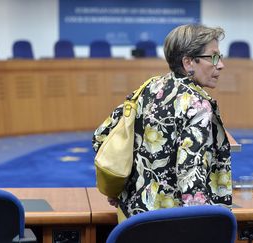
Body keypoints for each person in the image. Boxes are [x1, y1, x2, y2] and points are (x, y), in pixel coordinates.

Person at [92, 24, 232, 222]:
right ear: (188, 62)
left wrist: (119, 188)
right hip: (170, 225)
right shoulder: (197, 104)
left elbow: (102, 135)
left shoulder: (149, 87)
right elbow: (190, 180)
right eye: (214, 57)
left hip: (131, 221)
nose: (220, 65)